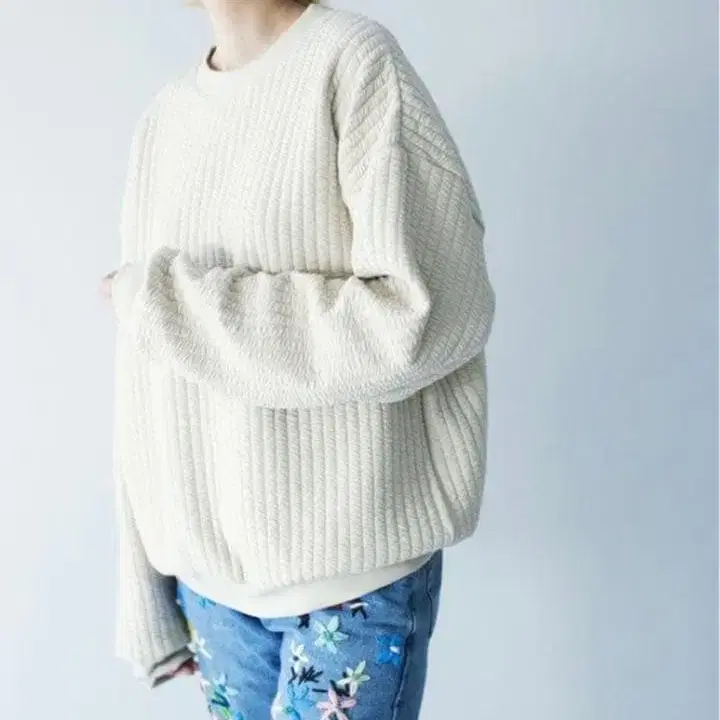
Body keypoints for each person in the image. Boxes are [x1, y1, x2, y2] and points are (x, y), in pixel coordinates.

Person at [101, 0, 495, 717]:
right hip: (211, 593)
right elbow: (145, 381)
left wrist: (170, 302)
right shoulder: (164, 119)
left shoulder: (353, 62)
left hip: (355, 581)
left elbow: (428, 313)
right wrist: (146, 595)